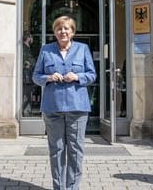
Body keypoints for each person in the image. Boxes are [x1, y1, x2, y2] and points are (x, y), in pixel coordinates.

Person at [32, 15, 96, 190]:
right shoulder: (46, 50)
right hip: (53, 108)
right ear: (55, 32)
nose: (63, 32)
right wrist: (48, 77)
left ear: (72, 32)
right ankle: (59, 187)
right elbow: (35, 76)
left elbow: (92, 75)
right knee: (57, 150)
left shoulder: (83, 49)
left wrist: (77, 76)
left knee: (75, 151)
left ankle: (73, 188)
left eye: (66, 28)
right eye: (59, 29)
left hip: (77, 108)